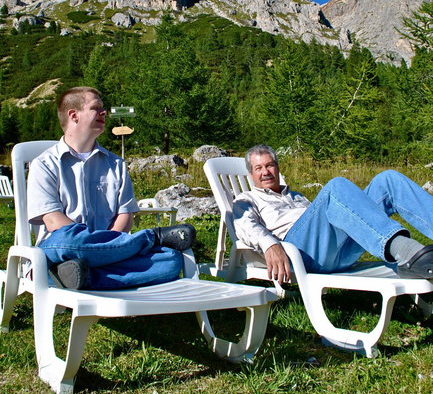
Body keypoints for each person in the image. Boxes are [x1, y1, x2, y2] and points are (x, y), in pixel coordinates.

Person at [27, 86, 196, 290]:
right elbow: (54, 222)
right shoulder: (44, 164)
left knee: (170, 260)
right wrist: (104, 245)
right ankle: (152, 237)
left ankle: (83, 277)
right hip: (63, 250)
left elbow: (124, 217)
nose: (104, 112)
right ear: (74, 115)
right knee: (65, 238)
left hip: (112, 252)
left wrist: (107, 249)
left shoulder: (115, 165)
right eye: (96, 108)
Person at [233, 144, 433, 285]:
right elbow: (245, 226)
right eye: (258, 168)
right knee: (336, 187)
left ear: (277, 168)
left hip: (336, 250)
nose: (265, 172)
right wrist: (271, 244)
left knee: (388, 180)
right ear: (251, 175)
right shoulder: (246, 199)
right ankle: (405, 250)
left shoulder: (297, 196)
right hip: (301, 253)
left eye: (269, 165)